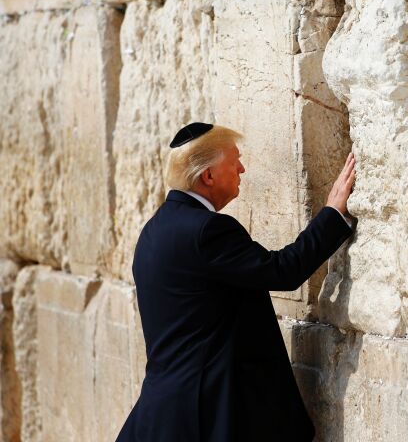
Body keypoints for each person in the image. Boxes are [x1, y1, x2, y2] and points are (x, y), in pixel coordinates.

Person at [116, 122, 356, 442]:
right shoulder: (207, 231)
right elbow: (281, 271)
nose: (241, 168)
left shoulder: (153, 231)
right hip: (210, 414)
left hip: (167, 412)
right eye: (234, 160)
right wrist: (332, 213)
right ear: (208, 176)